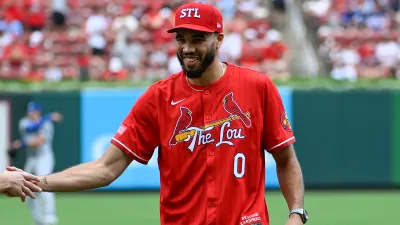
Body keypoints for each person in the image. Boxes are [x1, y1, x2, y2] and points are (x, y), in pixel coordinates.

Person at [7, 2, 308, 225]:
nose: (187, 48)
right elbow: (105, 169)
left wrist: (296, 212)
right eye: (181, 39)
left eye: (197, 39)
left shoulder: (257, 87)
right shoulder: (159, 97)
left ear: (219, 40)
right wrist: (39, 181)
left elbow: (286, 159)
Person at [8, 101, 63, 225]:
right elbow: (31, 128)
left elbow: (39, 141)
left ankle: (50, 217)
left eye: (33, 111)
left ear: (38, 112)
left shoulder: (47, 124)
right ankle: (38, 220)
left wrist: (19, 144)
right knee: (27, 189)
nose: (30, 113)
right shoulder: (24, 122)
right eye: (29, 111)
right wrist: (49, 116)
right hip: (31, 159)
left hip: (44, 158)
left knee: (45, 185)